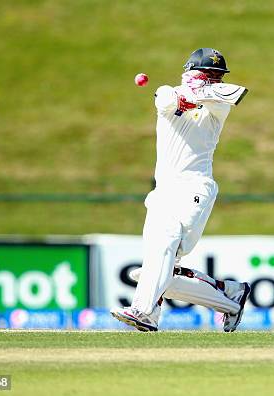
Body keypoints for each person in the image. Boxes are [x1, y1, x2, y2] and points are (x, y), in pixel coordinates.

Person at [111, 48, 251, 332]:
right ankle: (231, 297)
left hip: (195, 186)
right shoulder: (167, 93)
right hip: (163, 192)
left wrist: (203, 89)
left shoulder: (218, 106)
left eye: (217, 75)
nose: (213, 79)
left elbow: (230, 95)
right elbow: (167, 101)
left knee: (164, 244)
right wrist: (187, 93)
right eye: (207, 74)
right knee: (155, 270)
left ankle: (143, 311)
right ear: (190, 73)